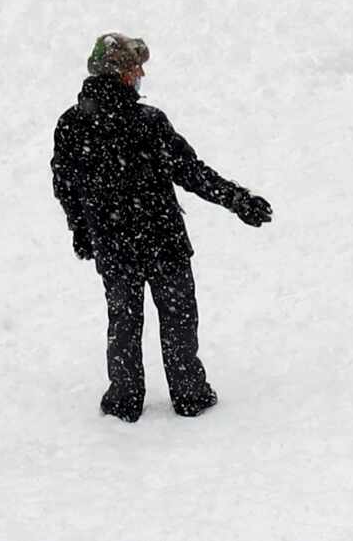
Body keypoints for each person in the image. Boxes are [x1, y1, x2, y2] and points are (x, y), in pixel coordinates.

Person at [51, 33, 273, 423]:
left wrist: (81, 230)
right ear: (120, 73)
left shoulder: (71, 125)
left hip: (114, 245)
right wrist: (237, 199)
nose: (141, 74)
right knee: (179, 318)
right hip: (162, 241)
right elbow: (192, 172)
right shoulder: (146, 122)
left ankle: (124, 399)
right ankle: (189, 394)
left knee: (123, 320)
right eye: (135, 67)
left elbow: (65, 185)